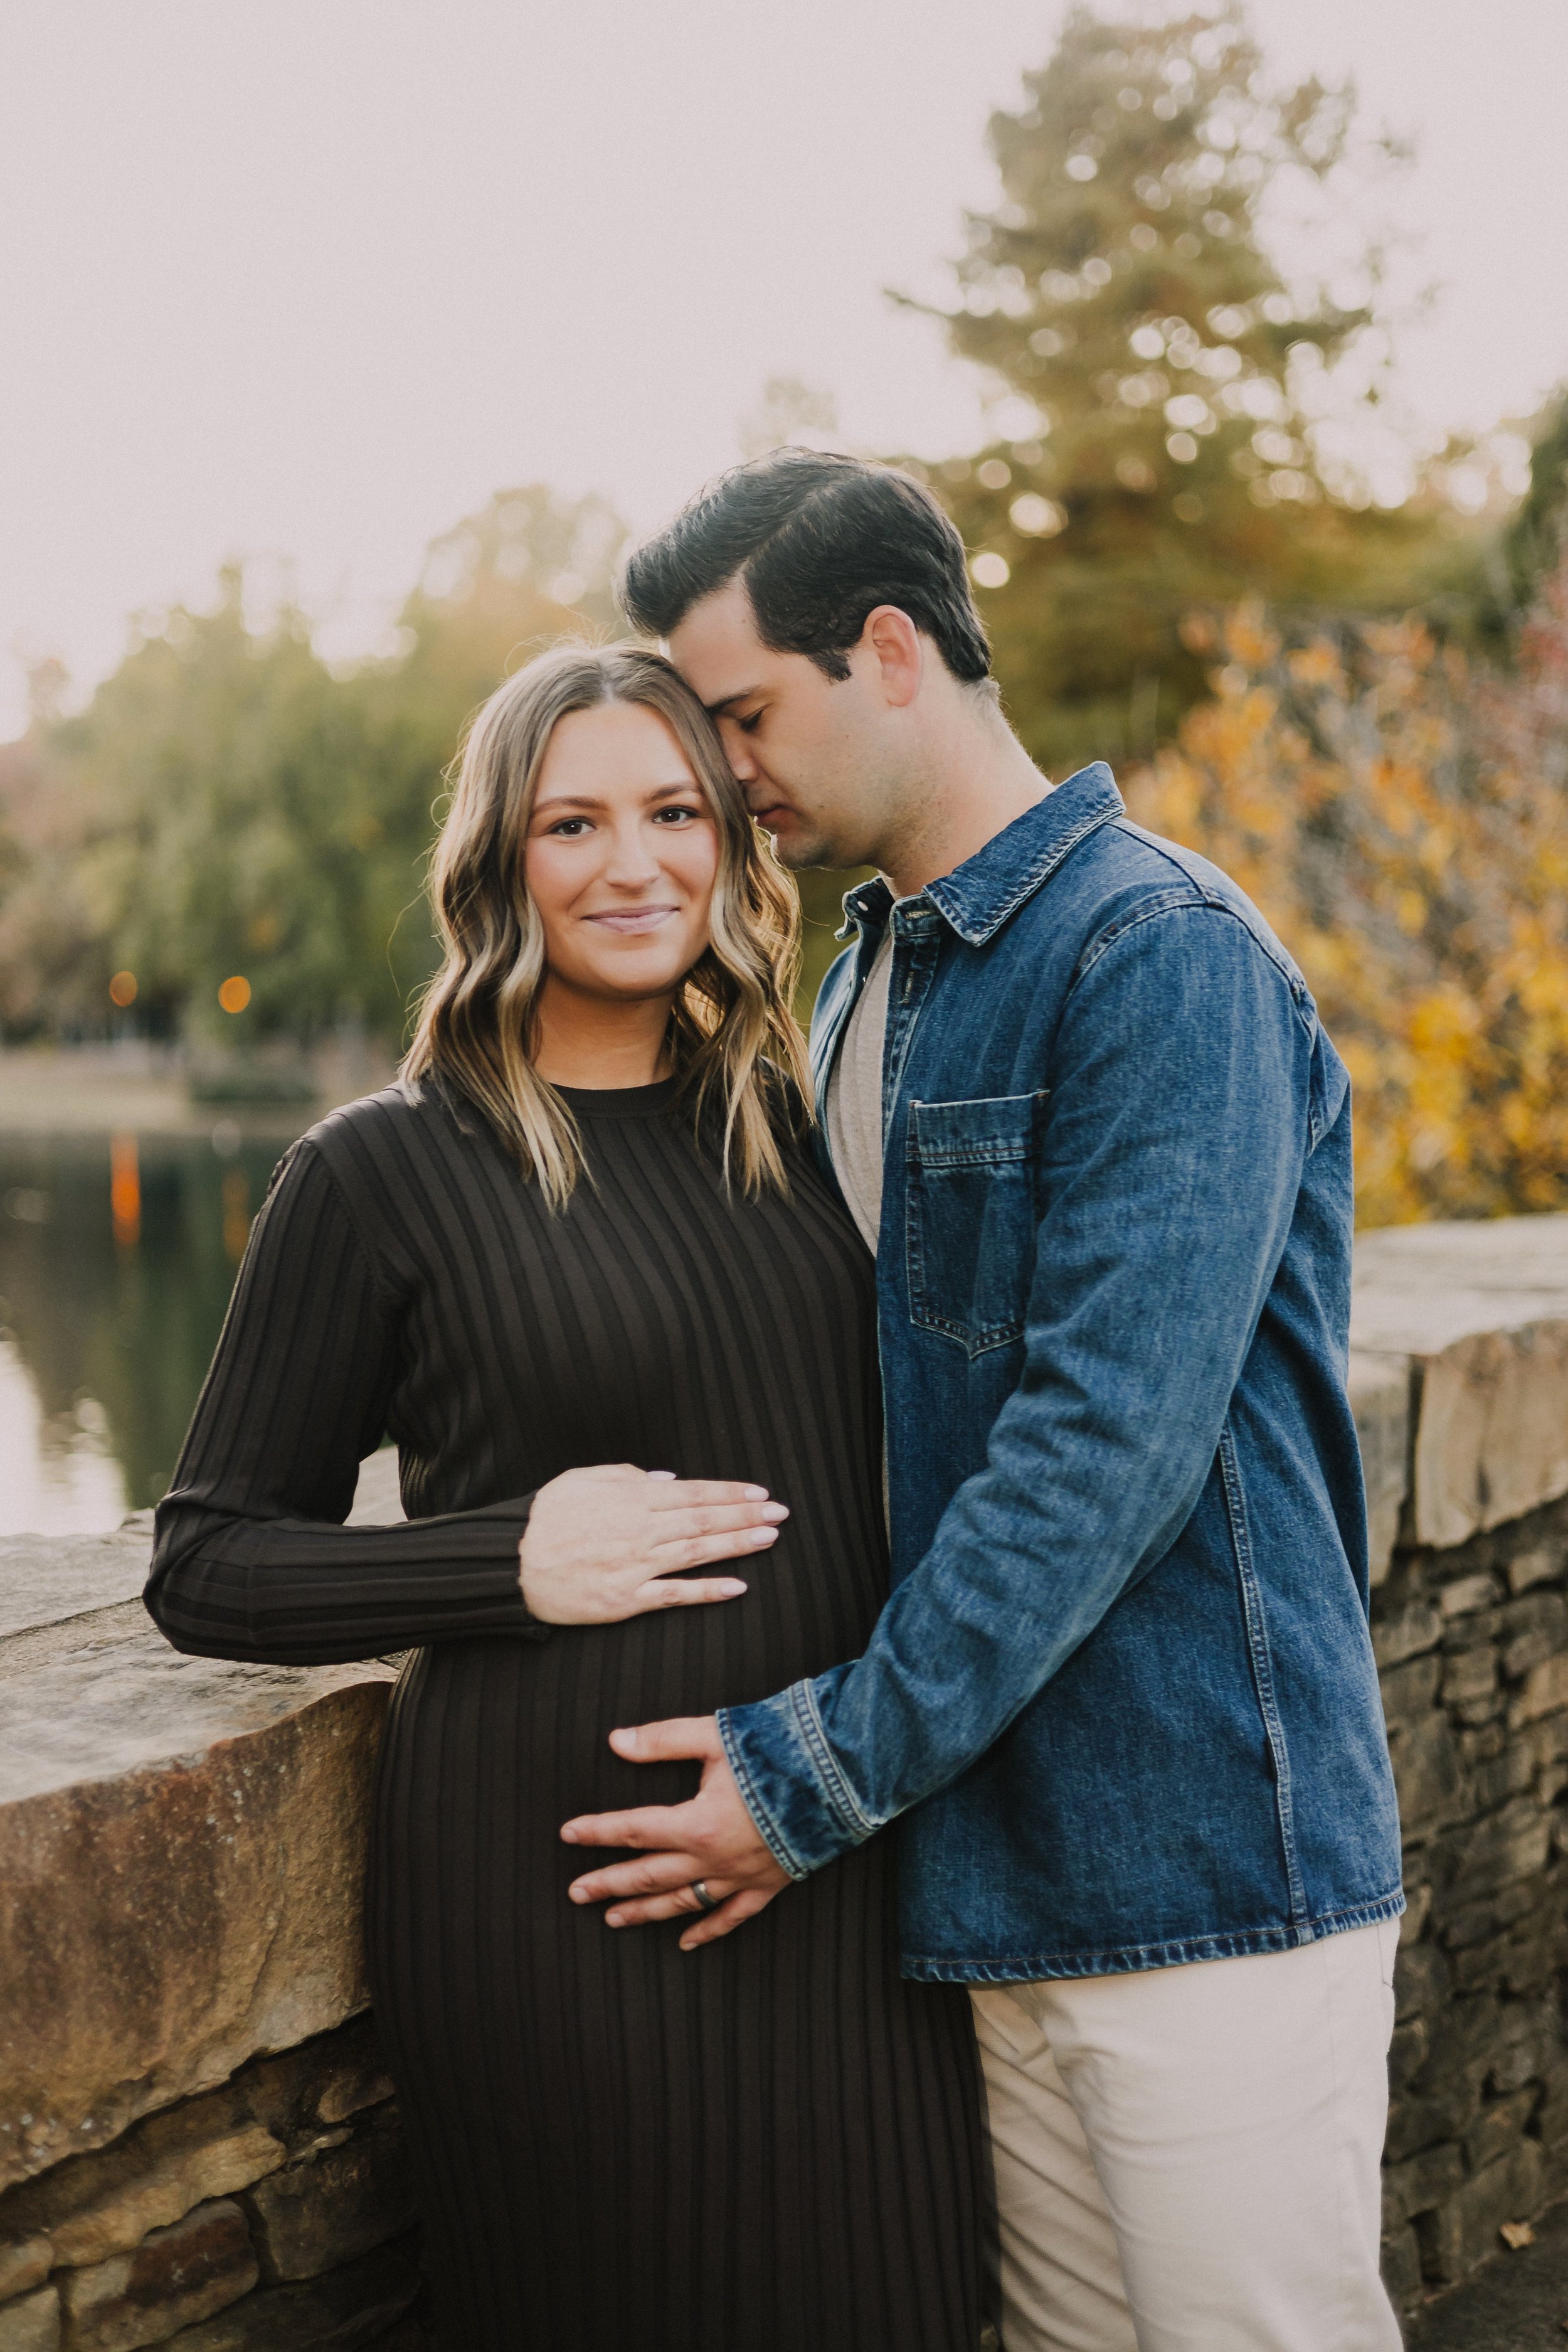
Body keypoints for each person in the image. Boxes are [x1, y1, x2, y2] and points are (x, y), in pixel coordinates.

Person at [559, 451, 1407, 2352]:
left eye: (747, 717)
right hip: (983, 1873)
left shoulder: (1152, 955)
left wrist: (801, 1779)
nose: (728, 775)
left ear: (886, 651)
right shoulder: (876, 980)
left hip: (1203, 1867)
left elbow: (1096, 1452)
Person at [144, 642, 990, 2352]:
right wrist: (506, 1557)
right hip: (566, 1908)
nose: (633, 863)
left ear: (727, 838)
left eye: (674, 809)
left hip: (832, 1863)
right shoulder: (379, 1171)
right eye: (573, 821)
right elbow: (207, 1563)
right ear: (498, 862)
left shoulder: (782, 1115)